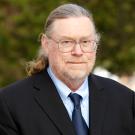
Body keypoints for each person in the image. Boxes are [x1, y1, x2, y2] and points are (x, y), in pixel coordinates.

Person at [0, 3, 134, 135]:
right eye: (66, 42)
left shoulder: (126, 100)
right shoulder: (9, 104)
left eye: (85, 42)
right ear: (46, 44)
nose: (78, 51)